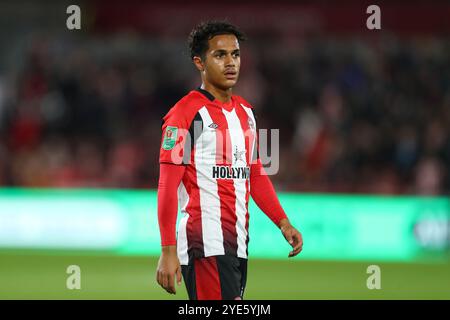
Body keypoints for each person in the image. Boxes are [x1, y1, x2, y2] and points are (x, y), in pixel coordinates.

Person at [156, 20, 303, 300]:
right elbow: (167, 185)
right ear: (199, 62)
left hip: (237, 243)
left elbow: (256, 173)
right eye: (219, 55)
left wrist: (283, 222)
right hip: (205, 242)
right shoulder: (185, 115)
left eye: (235, 54)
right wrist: (168, 250)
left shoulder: (246, 112)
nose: (230, 62)